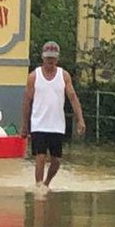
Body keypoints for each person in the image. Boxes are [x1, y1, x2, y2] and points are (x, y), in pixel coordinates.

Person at [22, 41, 88, 189]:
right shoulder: (33, 76)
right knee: (40, 156)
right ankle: (38, 186)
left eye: (53, 58)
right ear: (43, 58)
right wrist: (25, 126)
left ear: (57, 59)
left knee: (56, 160)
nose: (50, 61)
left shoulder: (64, 76)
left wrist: (80, 119)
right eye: (47, 58)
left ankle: (47, 183)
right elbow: (27, 101)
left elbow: (72, 97)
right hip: (39, 123)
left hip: (57, 125)